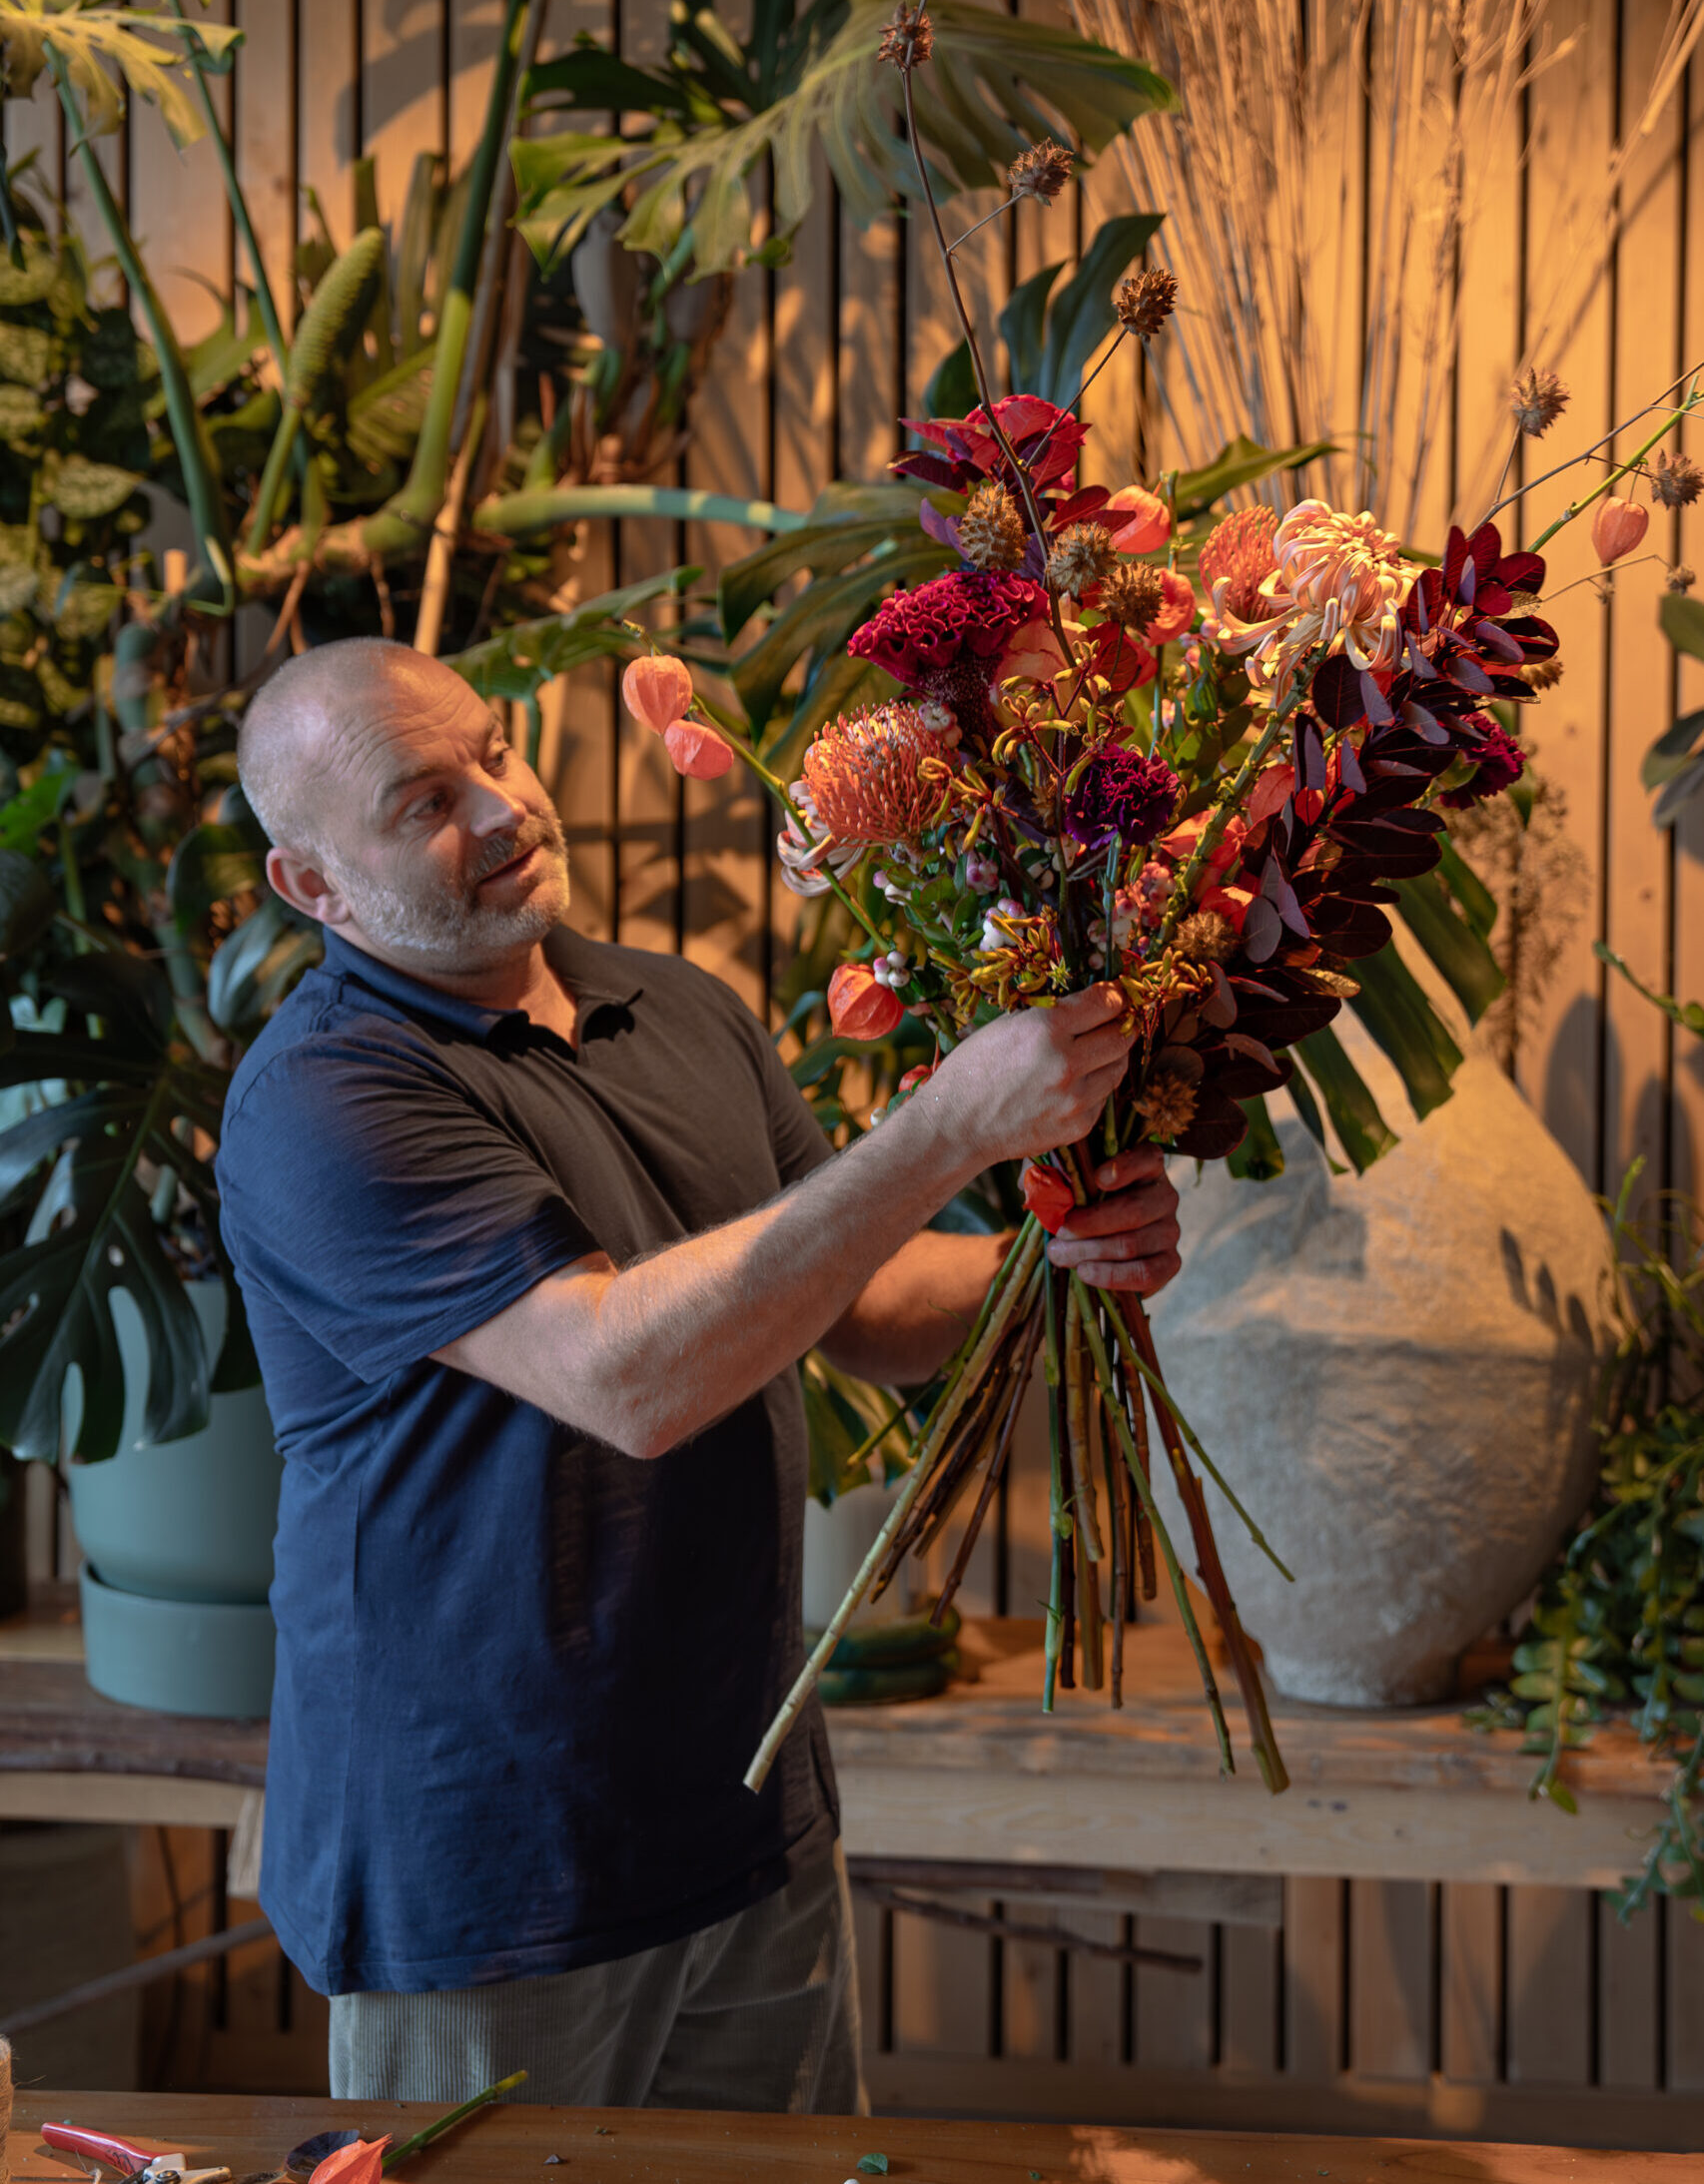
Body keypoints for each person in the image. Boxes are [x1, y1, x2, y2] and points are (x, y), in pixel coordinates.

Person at [218, 637, 1182, 2113]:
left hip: (745, 1803)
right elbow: (627, 1378)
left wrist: (1049, 1266)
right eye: (421, 802)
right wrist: (944, 1133)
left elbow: (850, 1301)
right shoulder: (325, 1096)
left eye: (493, 751)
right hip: (489, 1859)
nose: (500, 808)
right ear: (313, 887)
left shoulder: (674, 1007)